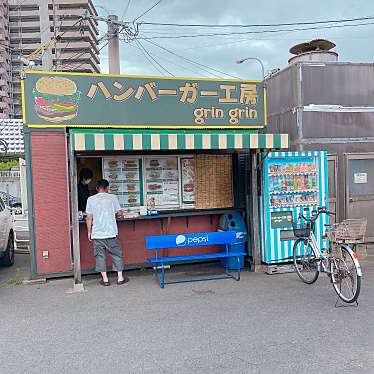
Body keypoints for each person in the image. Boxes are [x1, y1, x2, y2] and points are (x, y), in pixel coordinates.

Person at [85, 179, 129, 286]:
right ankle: (120, 278)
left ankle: (105, 280)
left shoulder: (91, 199)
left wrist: (89, 232)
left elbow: (89, 218)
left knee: (100, 256)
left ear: (96, 188)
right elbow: (119, 213)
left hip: (97, 233)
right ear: (107, 188)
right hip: (111, 232)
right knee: (116, 254)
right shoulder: (112, 198)